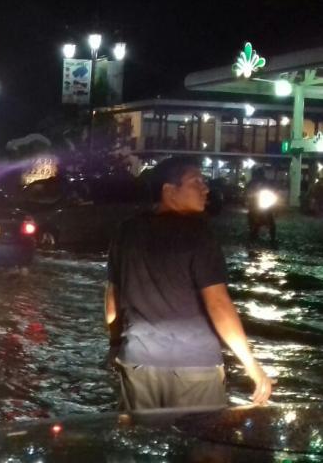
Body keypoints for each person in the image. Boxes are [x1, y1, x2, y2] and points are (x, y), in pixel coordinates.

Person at [105, 156, 272, 411]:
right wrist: (251, 365)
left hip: (138, 362)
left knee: (143, 445)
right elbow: (218, 304)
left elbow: (112, 301)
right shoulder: (199, 234)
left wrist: (115, 345)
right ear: (169, 191)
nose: (205, 189)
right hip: (195, 367)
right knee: (201, 446)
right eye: (196, 182)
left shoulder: (126, 232)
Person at [245, 168, 277, 243]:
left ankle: (273, 238)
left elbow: (272, 189)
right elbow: (248, 190)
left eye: (261, 174)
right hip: (254, 203)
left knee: (271, 220)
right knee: (251, 214)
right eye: (259, 174)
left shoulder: (266, 182)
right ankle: (252, 234)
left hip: (264, 201)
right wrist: (250, 195)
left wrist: (274, 193)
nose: (260, 175)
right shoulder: (252, 182)